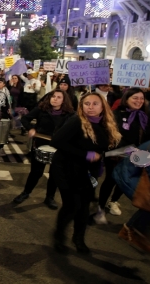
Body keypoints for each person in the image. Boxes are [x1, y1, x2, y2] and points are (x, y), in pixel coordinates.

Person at [50, 92, 121, 254]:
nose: (90, 107)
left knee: (83, 208)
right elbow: (57, 141)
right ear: (81, 106)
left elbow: (103, 147)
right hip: (66, 169)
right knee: (72, 206)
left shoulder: (106, 124)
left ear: (103, 106)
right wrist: (85, 154)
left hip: (87, 172)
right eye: (86, 104)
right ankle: (59, 236)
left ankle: (78, 239)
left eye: (95, 104)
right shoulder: (76, 121)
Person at [95, 88, 150, 223]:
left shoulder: (148, 116)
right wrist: (128, 149)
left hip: (139, 154)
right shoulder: (116, 114)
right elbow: (112, 134)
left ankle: (114, 201)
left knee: (126, 179)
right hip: (117, 153)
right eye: (135, 98)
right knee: (111, 179)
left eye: (141, 98)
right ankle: (100, 208)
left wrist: (146, 150)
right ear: (126, 99)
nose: (139, 101)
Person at [15, 89, 75, 209]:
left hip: (59, 147)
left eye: (58, 97)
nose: (55, 99)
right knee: (36, 172)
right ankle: (26, 193)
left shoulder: (70, 114)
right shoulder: (41, 109)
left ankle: (49, 197)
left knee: (54, 174)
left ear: (64, 100)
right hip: (40, 144)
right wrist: (30, 129)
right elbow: (24, 119)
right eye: (53, 96)